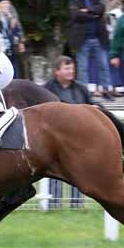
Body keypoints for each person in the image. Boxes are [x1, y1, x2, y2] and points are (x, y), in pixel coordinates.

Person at [44, 56, 94, 208]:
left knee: (78, 171)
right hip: (54, 140)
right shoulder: (46, 89)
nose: (71, 71)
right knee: (54, 171)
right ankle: (54, 203)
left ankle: (77, 204)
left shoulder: (82, 89)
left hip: (77, 139)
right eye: (67, 68)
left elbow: (92, 109)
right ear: (57, 71)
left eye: (72, 68)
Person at [67, 0, 112, 99]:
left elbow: (101, 9)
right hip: (83, 40)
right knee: (83, 69)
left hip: (99, 38)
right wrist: (93, 14)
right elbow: (76, 15)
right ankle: (84, 94)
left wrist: (86, 11)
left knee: (103, 66)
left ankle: (106, 91)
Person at [0, 0, 25, 78]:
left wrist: (19, 41)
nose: (6, 5)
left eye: (7, 3)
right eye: (3, 3)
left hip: (11, 50)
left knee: (14, 74)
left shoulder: (10, 18)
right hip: (0, 51)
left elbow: (17, 31)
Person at [103, 0, 124, 95]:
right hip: (104, 37)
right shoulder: (100, 2)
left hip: (116, 37)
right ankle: (106, 87)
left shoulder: (119, 3)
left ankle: (116, 87)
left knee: (116, 64)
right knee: (105, 63)